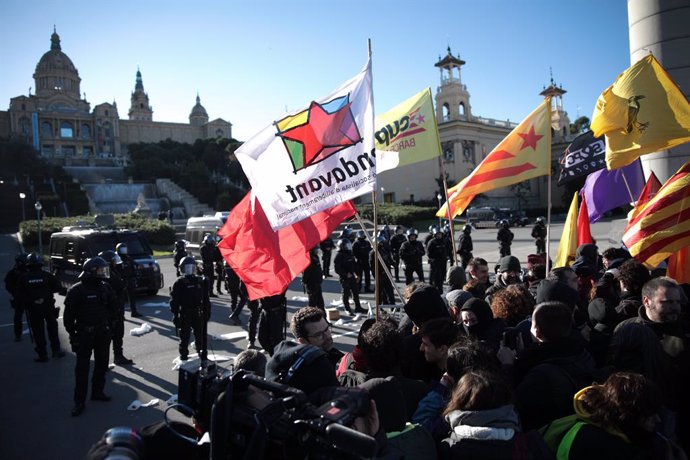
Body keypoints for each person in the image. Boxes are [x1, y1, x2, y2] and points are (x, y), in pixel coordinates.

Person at [499, 301, 598, 431]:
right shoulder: (584, 354)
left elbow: (512, 405)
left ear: (537, 331)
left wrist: (508, 366)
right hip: (576, 429)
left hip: (546, 437)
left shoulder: (540, 375)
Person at [545, 372, 682, 460]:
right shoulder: (599, 446)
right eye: (649, 414)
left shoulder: (605, 426)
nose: (657, 420)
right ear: (627, 413)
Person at [63, 257, 119, 416]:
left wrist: (110, 325)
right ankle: (79, 402)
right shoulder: (76, 290)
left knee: (102, 364)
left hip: (102, 333)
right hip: (84, 335)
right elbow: (68, 318)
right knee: (82, 369)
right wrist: (73, 335)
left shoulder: (106, 287)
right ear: (91, 271)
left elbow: (114, 308)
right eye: (100, 270)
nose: (103, 273)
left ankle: (97, 392)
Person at [438, 370, 521, 460]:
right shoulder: (522, 445)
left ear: (459, 401)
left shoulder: (447, 447)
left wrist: (438, 390)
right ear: (504, 400)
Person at [16, 253, 65, 361]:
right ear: (40, 264)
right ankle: (56, 351)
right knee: (52, 329)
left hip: (33, 309)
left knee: (38, 331)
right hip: (48, 307)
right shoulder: (47, 275)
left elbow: (19, 294)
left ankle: (42, 355)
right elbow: (58, 287)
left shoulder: (23, 278)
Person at [169, 256, 210, 361]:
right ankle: (183, 356)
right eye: (186, 268)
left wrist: (207, 311)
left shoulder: (199, 281)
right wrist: (175, 314)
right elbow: (174, 301)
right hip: (185, 313)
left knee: (200, 335)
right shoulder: (179, 283)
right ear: (181, 268)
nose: (189, 270)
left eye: (191, 268)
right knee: (184, 337)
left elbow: (206, 298)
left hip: (197, 312)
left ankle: (200, 352)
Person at [98, 250, 133, 366]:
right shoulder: (106, 276)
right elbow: (119, 286)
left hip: (117, 308)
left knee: (118, 334)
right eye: (113, 260)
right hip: (110, 310)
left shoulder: (112, 272)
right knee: (107, 337)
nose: (115, 262)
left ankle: (118, 356)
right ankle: (104, 362)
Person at [333, 238, 366, 315]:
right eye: (347, 245)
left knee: (355, 292)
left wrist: (357, 274)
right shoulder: (339, 255)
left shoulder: (350, 253)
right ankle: (347, 308)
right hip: (344, 278)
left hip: (352, 276)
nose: (348, 246)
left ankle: (358, 307)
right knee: (346, 294)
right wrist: (345, 274)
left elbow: (354, 265)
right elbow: (337, 269)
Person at [4, 253, 29, 342]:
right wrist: (15, 293)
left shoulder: (28, 270)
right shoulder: (13, 272)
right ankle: (18, 335)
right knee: (18, 316)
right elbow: (8, 284)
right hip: (20, 298)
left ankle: (19, 335)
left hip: (28, 296)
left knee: (34, 314)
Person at [115, 243, 141, 317]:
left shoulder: (128, 258)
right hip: (121, 280)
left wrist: (135, 277)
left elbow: (133, 268)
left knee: (132, 297)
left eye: (125, 249)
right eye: (122, 249)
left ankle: (134, 312)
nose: (124, 251)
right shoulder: (117, 258)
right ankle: (121, 315)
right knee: (121, 299)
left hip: (130, 279)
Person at [370, 235, 396, 306]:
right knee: (379, 292)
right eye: (380, 243)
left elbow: (389, 259)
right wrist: (376, 276)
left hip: (387, 274)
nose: (382, 244)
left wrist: (393, 264)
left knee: (390, 291)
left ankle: (392, 305)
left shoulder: (384, 250)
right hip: (379, 275)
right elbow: (372, 267)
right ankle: (378, 306)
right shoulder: (373, 253)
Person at [427, 227, 449, 293]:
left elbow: (447, 250)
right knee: (437, 278)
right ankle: (438, 290)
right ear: (435, 234)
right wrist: (433, 258)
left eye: (440, 234)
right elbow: (429, 253)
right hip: (435, 263)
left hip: (443, 262)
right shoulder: (432, 242)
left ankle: (439, 287)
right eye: (437, 234)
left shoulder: (444, 241)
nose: (439, 235)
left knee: (442, 276)